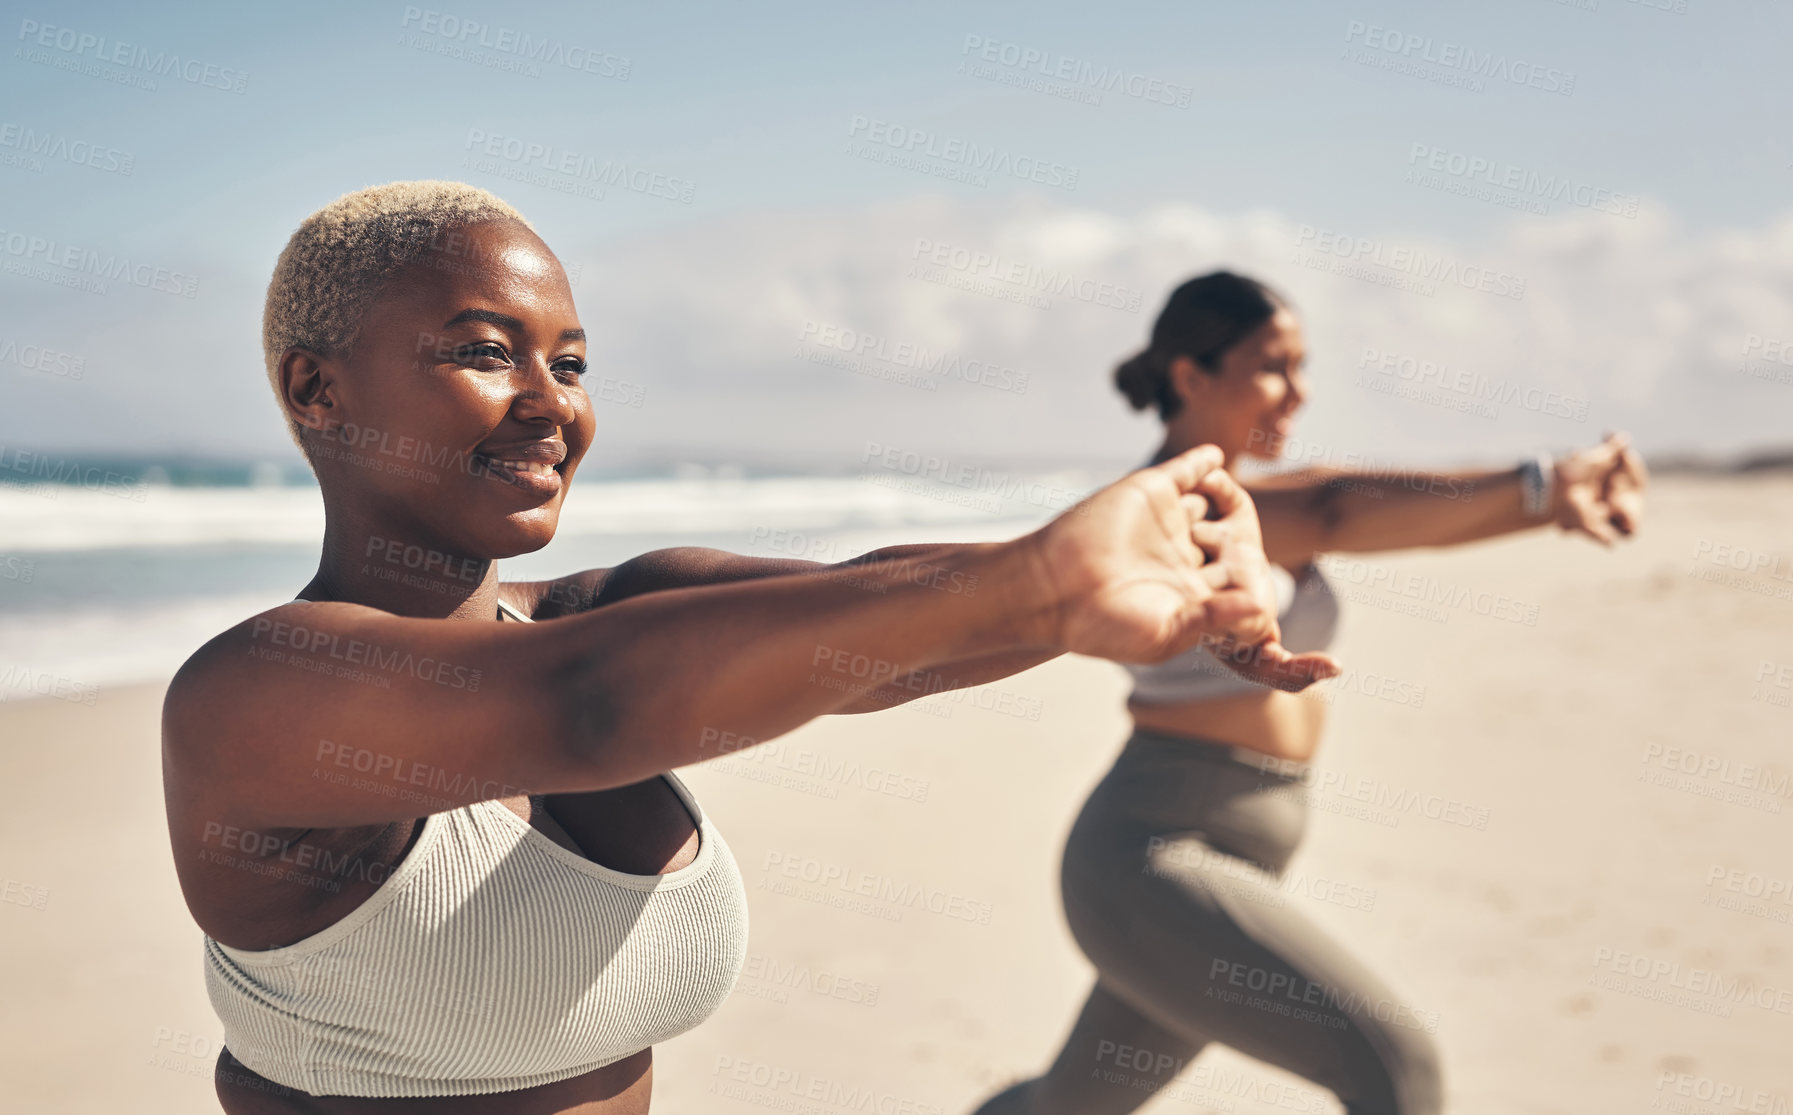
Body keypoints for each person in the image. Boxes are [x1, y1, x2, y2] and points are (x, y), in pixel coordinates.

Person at [161, 185, 1339, 1115]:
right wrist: (1039, 582)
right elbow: (585, 710)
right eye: (485, 353)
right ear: (317, 389)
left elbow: (869, 624)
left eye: (568, 363)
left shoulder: (592, 611)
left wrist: (1120, 563)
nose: (549, 403)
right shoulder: (257, 695)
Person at [971, 271, 1647, 1115]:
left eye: (1302, 364)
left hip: (1238, 848)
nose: (1299, 390)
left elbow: (1344, 509)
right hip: (1150, 857)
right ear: (1190, 375)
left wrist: (1543, 500)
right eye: (1272, 365)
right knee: (1395, 1070)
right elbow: (1334, 507)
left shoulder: (1247, 500)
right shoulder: (1164, 509)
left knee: (1066, 1107)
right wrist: (1541, 486)